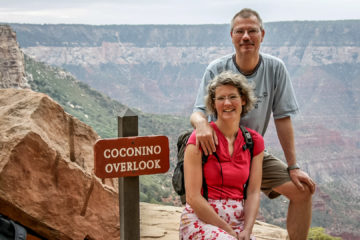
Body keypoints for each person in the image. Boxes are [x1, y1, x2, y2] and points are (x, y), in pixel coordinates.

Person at [190, 8, 316, 240]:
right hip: (218, 152)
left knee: (303, 191)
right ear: (232, 36)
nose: (246, 36)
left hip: (254, 153)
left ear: (262, 34)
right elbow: (198, 111)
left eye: (252, 31)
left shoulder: (275, 68)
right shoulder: (217, 68)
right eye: (240, 31)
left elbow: (283, 118)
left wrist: (293, 166)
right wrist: (201, 125)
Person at [180, 71, 264, 239]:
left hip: (238, 220)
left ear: (243, 100)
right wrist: (229, 232)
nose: (227, 103)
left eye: (233, 96)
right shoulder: (199, 139)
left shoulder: (253, 141)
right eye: (220, 98)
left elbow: (254, 192)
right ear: (213, 103)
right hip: (202, 219)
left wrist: (247, 230)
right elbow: (193, 197)